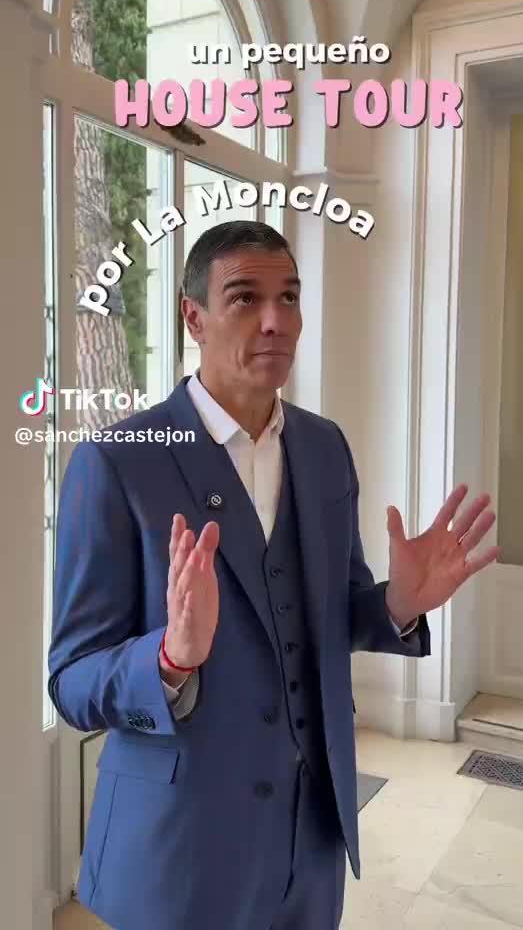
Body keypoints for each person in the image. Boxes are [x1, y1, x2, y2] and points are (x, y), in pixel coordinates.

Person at [48, 220, 499, 930]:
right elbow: (72, 681)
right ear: (193, 318)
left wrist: (397, 604)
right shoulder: (118, 462)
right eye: (245, 298)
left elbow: (331, 614)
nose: (275, 321)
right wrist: (169, 659)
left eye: (289, 297)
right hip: (178, 850)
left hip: (309, 843)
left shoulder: (324, 448)